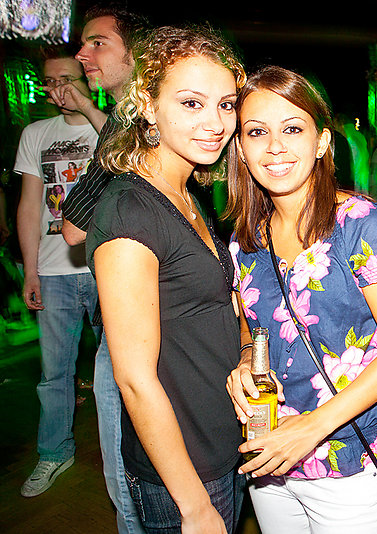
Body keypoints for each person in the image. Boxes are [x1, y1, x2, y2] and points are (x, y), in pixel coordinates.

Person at [225, 65, 377, 533]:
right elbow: (253, 328)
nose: (275, 146)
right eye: (257, 132)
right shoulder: (245, 240)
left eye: (293, 129)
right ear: (241, 149)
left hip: (347, 462)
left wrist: (311, 428)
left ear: (322, 142)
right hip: (268, 457)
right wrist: (245, 362)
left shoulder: (366, 226)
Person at [85, 25, 247, 533]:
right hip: (185, 470)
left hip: (221, 443)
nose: (215, 123)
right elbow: (134, 379)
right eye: (191, 103)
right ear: (148, 107)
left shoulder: (186, 194)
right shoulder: (131, 210)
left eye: (225, 105)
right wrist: (193, 504)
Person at [60, 5, 150, 533]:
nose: (82, 54)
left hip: (133, 318)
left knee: (127, 475)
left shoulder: (131, 120)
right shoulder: (140, 117)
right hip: (173, 311)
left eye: (97, 43)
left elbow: (73, 227)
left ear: (135, 54)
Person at [14, 46, 102, 498]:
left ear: (88, 79)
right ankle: (54, 452)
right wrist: (30, 270)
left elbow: (133, 157)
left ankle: (128, 453)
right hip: (53, 270)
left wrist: (87, 107)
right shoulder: (35, 134)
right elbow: (30, 206)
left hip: (107, 267)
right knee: (54, 375)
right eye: (51, 82)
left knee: (120, 371)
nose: (59, 90)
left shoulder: (111, 126)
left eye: (68, 79)